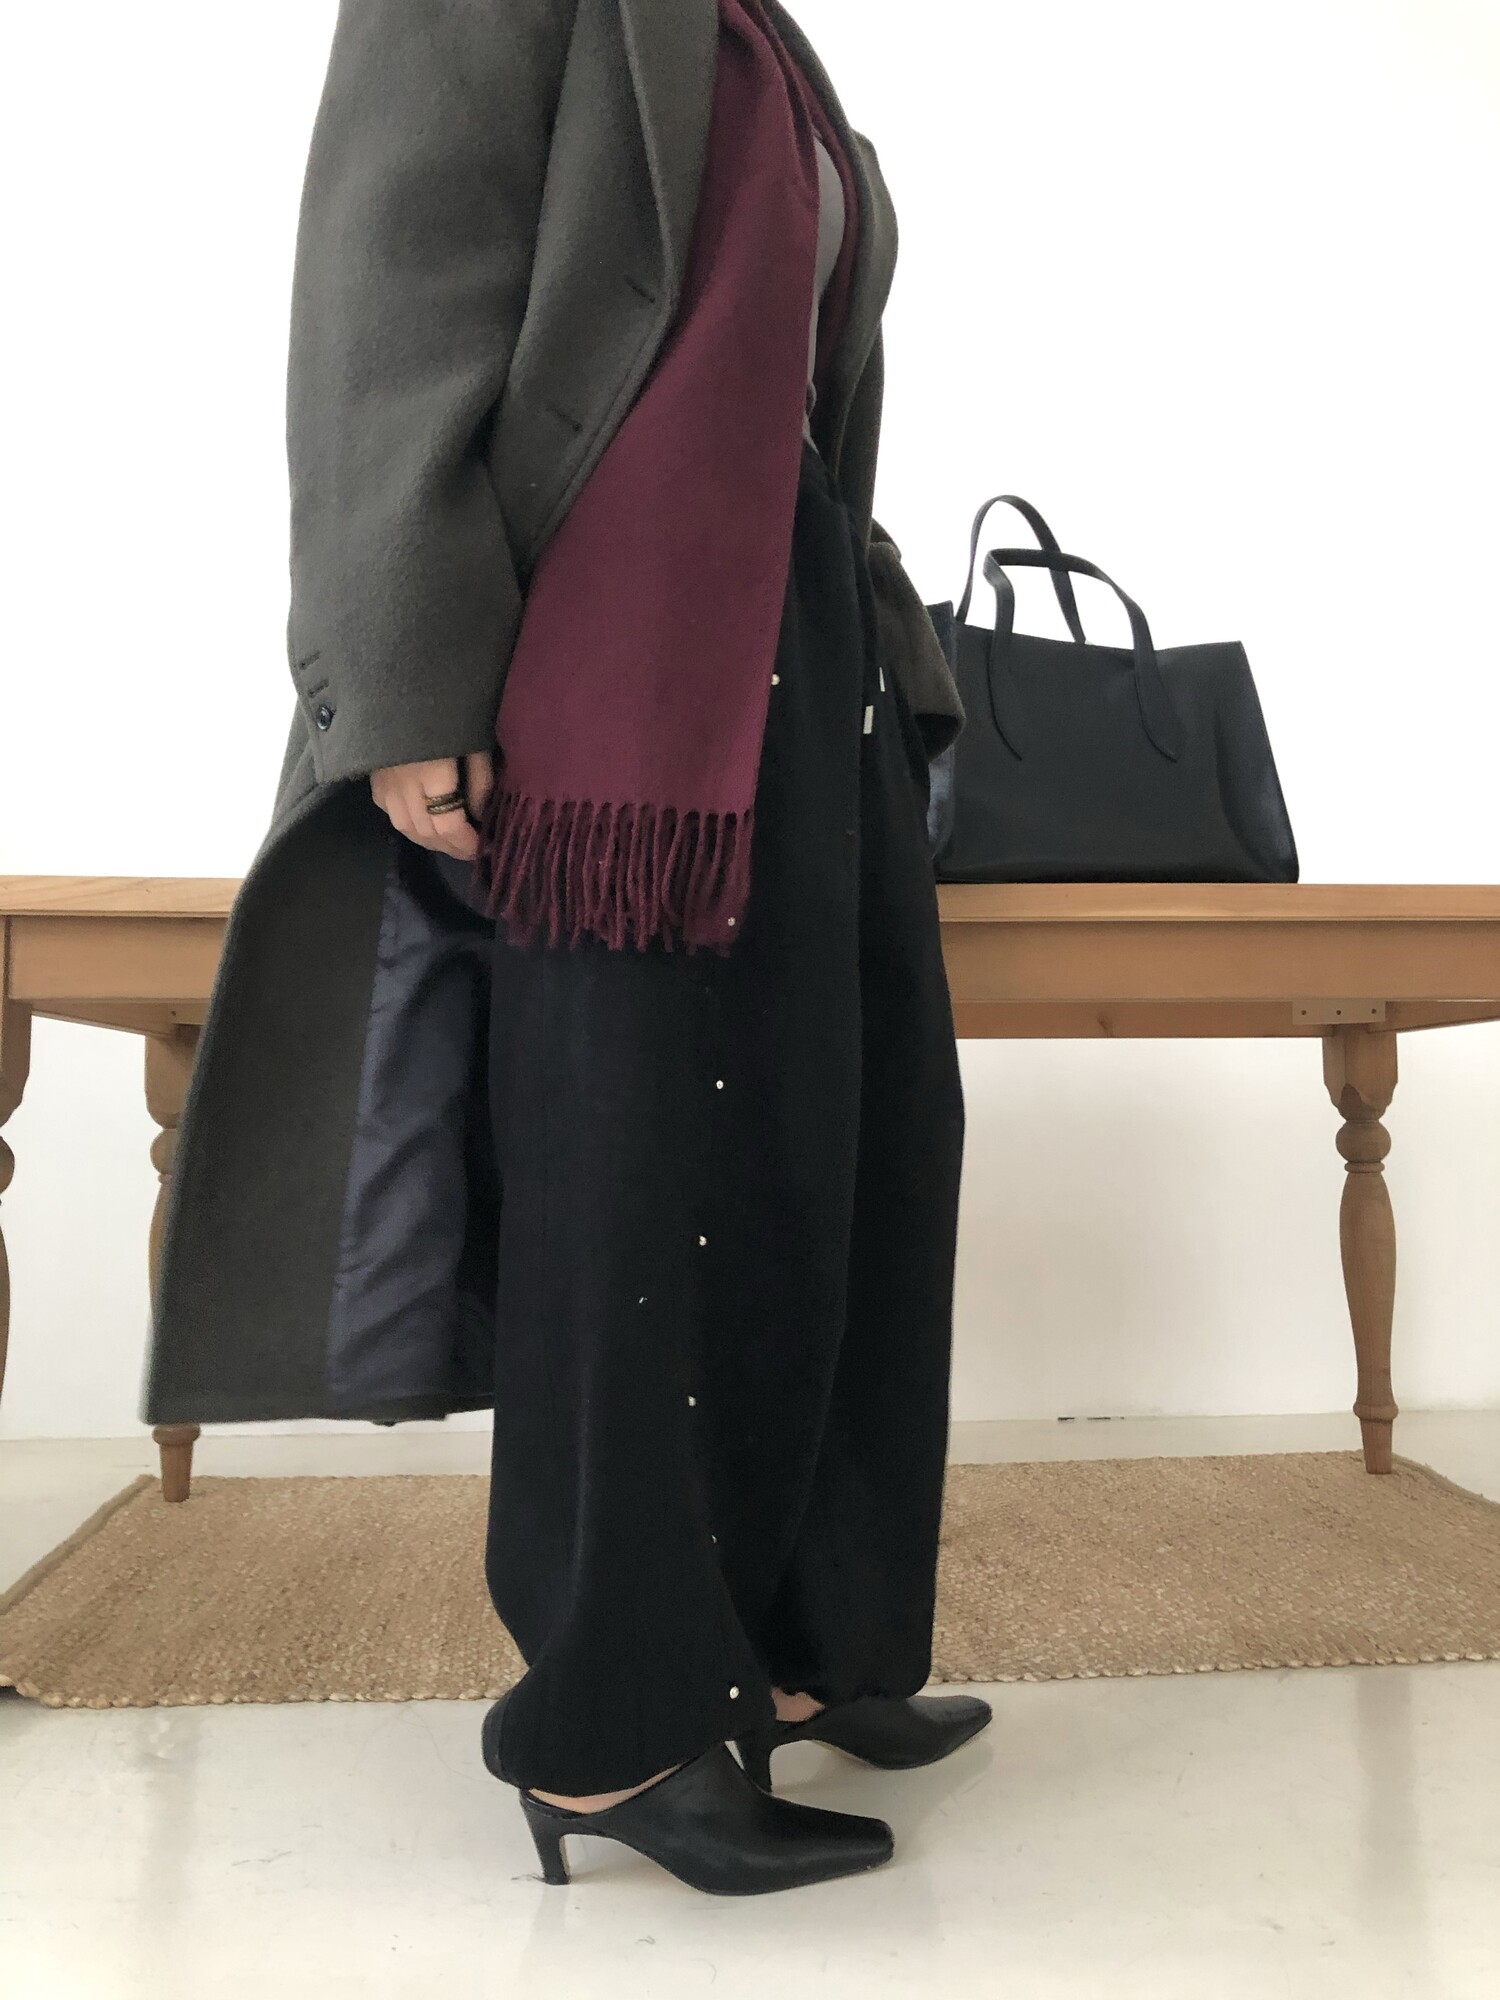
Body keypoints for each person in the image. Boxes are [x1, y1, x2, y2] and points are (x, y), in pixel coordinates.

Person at [143, 0, 979, 1899]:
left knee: (854, 1145)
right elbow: (388, 283)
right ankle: (614, 1734)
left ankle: (811, 1643)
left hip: (794, 647)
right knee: (637, 1183)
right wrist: (404, 675)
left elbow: (799, 377)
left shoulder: (761, 35)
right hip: (605, 674)